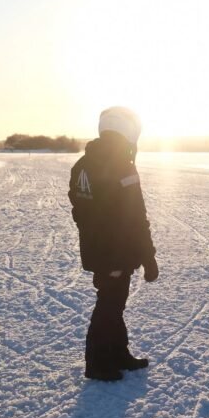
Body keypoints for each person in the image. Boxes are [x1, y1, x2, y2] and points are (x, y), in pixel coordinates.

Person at [68, 106, 159, 381]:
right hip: (116, 251)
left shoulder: (83, 165)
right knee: (109, 303)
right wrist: (148, 256)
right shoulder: (121, 165)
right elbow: (136, 216)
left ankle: (118, 353)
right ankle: (96, 363)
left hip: (97, 248)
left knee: (114, 302)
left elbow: (79, 210)